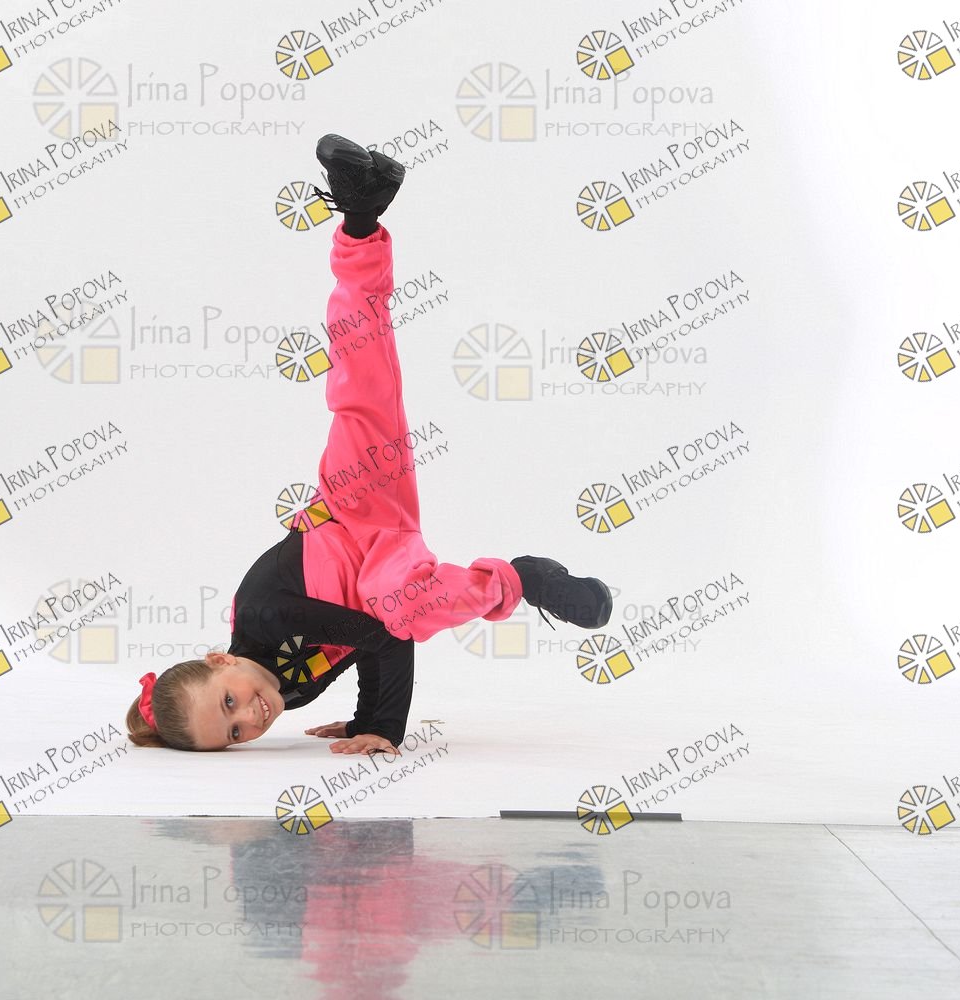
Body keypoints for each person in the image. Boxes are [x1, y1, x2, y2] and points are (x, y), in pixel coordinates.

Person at [126, 134, 612, 756]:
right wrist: (365, 719)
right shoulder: (289, 691)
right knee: (399, 603)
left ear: (220, 659)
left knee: (360, 377)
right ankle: (524, 579)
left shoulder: (264, 618)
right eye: (236, 733)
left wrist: (381, 724)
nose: (251, 715)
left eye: (229, 702)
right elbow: (371, 637)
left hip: (352, 507)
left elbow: (374, 637)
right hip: (382, 571)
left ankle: (360, 215)